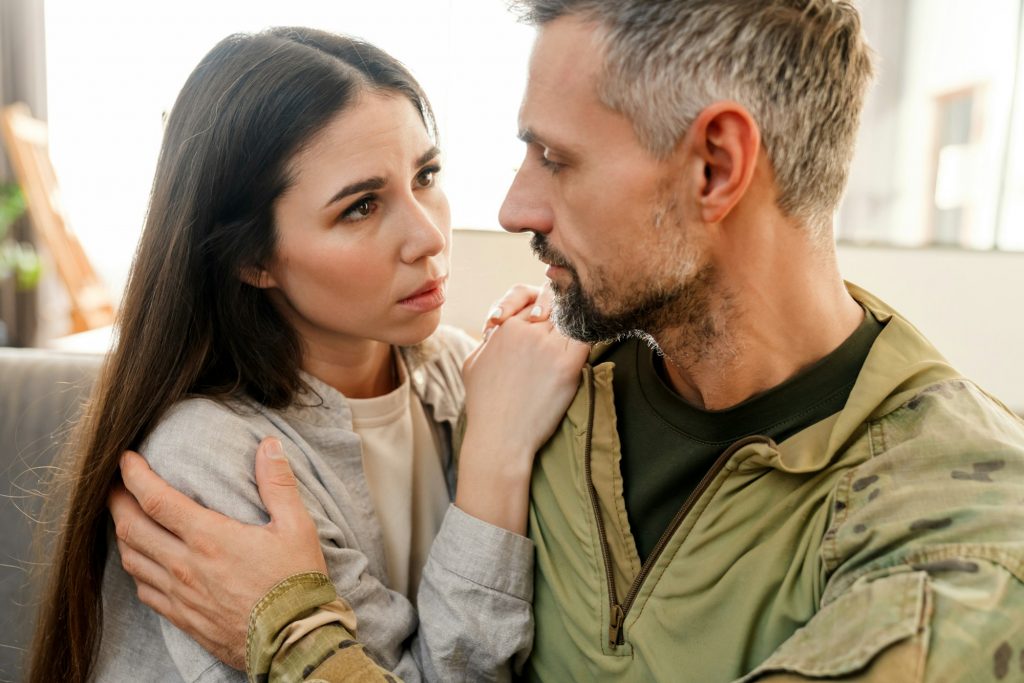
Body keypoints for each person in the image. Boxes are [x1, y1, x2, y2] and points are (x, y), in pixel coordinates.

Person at [111, 1, 1024, 681]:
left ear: (715, 166)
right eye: (360, 205)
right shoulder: (536, 388)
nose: (510, 210)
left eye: (557, 158)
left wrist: (295, 633)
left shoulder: (957, 532)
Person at [28, 27, 588, 683]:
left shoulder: (454, 367)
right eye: (361, 206)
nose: (428, 235)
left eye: (426, 175)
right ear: (252, 259)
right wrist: (495, 452)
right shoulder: (209, 456)